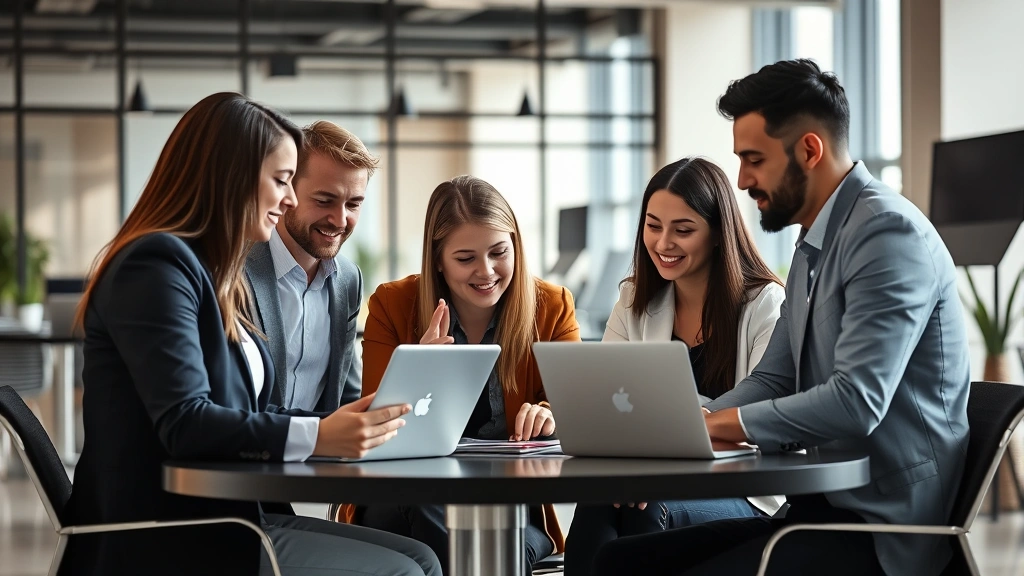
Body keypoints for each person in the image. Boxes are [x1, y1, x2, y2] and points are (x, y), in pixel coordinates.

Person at [592, 58, 971, 576]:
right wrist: (691, 429)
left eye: (754, 159)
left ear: (809, 151)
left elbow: (857, 400)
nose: (742, 179)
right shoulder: (816, 242)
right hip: (815, 511)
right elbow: (774, 378)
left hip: (881, 529)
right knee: (616, 562)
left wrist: (718, 424)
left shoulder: (886, 234)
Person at [65, 92, 441, 576]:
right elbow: (186, 422)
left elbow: (243, 410)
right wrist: (318, 434)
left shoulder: (204, 269)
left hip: (231, 516)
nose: (290, 199)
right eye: (282, 181)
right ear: (232, 178)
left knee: (421, 558)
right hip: (166, 532)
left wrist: (356, 416)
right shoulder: (156, 265)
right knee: (407, 570)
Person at [342, 175, 581, 575]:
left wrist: (550, 412)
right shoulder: (392, 305)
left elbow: (579, 407)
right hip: (407, 496)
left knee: (496, 549)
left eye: (499, 252)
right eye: (466, 258)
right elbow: (375, 429)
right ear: (438, 259)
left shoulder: (552, 307)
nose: (486, 271)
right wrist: (419, 372)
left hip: (509, 505)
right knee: (455, 532)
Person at [563, 156, 785, 576]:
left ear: (718, 233)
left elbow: (761, 420)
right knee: (603, 500)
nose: (663, 243)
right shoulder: (634, 300)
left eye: (683, 230)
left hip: (742, 491)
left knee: (643, 509)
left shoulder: (765, 305)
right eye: (653, 226)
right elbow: (603, 408)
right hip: (650, 479)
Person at [245, 120, 376, 411]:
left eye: (353, 204)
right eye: (324, 201)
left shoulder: (348, 279)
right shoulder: (235, 270)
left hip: (323, 442)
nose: (340, 220)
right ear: (286, 191)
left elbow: (346, 397)